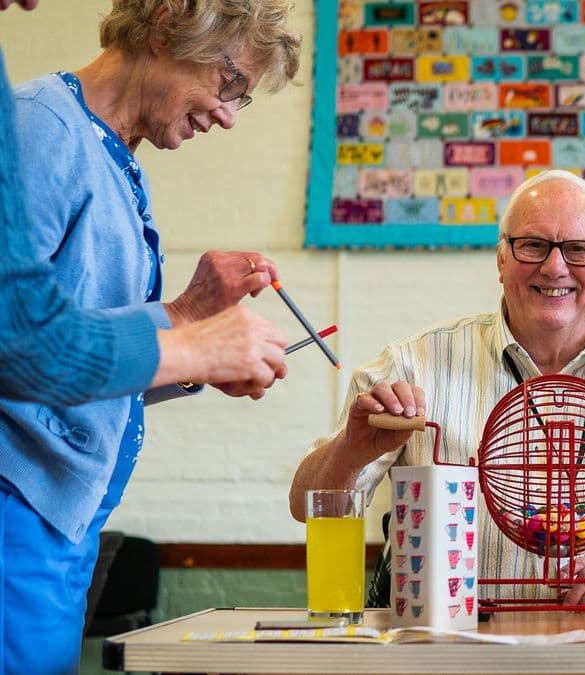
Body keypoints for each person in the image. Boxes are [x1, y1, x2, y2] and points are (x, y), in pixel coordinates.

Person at [0, 1, 301, 670]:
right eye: (229, 85)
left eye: (241, 101)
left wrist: (191, 328)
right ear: (168, 23)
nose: (226, 114)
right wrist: (189, 332)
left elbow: (74, 370)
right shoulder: (42, 131)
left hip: (59, 524)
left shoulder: (115, 160)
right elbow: (13, 342)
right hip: (15, 515)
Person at [290, 170, 585, 604]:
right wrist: (352, 447)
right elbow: (305, 506)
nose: (555, 267)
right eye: (533, 245)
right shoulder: (411, 366)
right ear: (501, 259)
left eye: (579, 249)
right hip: (448, 657)